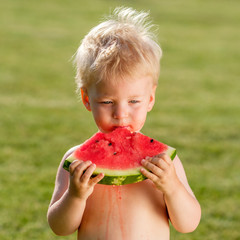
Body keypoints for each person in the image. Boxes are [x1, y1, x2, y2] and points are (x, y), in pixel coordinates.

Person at [47, 7, 201, 240]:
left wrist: (172, 187)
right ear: (87, 99)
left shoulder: (164, 163)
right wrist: (75, 196)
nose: (121, 114)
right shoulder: (77, 161)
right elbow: (60, 227)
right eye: (108, 101)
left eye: (134, 101)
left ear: (150, 99)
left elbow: (188, 224)